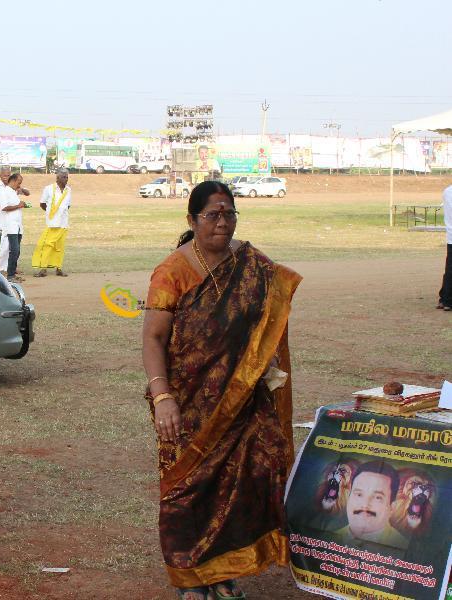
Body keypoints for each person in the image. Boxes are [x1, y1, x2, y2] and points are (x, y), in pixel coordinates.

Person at [141, 181, 302, 600]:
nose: (223, 222)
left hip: (242, 401)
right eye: (213, 214)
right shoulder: (172, 272)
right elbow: (154, 340)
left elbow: (274, 306)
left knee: (241, 483)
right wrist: (163, 397)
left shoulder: (250, 263)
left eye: (229, 213)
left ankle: (222, 571)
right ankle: (190, 580)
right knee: (186, 489)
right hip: (187, 404)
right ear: (192, 219)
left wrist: (262, 362)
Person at [334, 461, 409, 550]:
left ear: (392, 508)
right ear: (349, 498)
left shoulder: (402, 547)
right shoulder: (330, 538)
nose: (365, 504)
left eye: (377, 497)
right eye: (359, 495)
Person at [32, 168, 72, 277]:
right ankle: (43, 269)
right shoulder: (48, 189)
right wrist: (51, 212)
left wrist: (60, 213)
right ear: (57, 177)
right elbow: (42, 204)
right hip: (52, 223)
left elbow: (68, 205)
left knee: (60, 247)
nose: (66, 179)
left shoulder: (68, 190)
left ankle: (58, 268)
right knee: (47, 245)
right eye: (64, 177)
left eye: (67, 177)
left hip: (63, 223)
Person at [0, 173, 28, 283]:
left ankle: (13, 273)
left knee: (17, 251)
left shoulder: (14, 192)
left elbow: (27, 193)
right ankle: (10, 275)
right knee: (14, 250)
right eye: (19, 182)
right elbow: (4, 207)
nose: (19, 185)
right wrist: (19, 206)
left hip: (18, 226)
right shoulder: (5, 192)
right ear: (13, 181)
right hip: (10, 226)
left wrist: (21, 203)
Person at [437, 184, 452, 311]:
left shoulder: (447, 191)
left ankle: (444, 298)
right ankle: (447, 300)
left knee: (450, 268)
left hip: (451, 235)